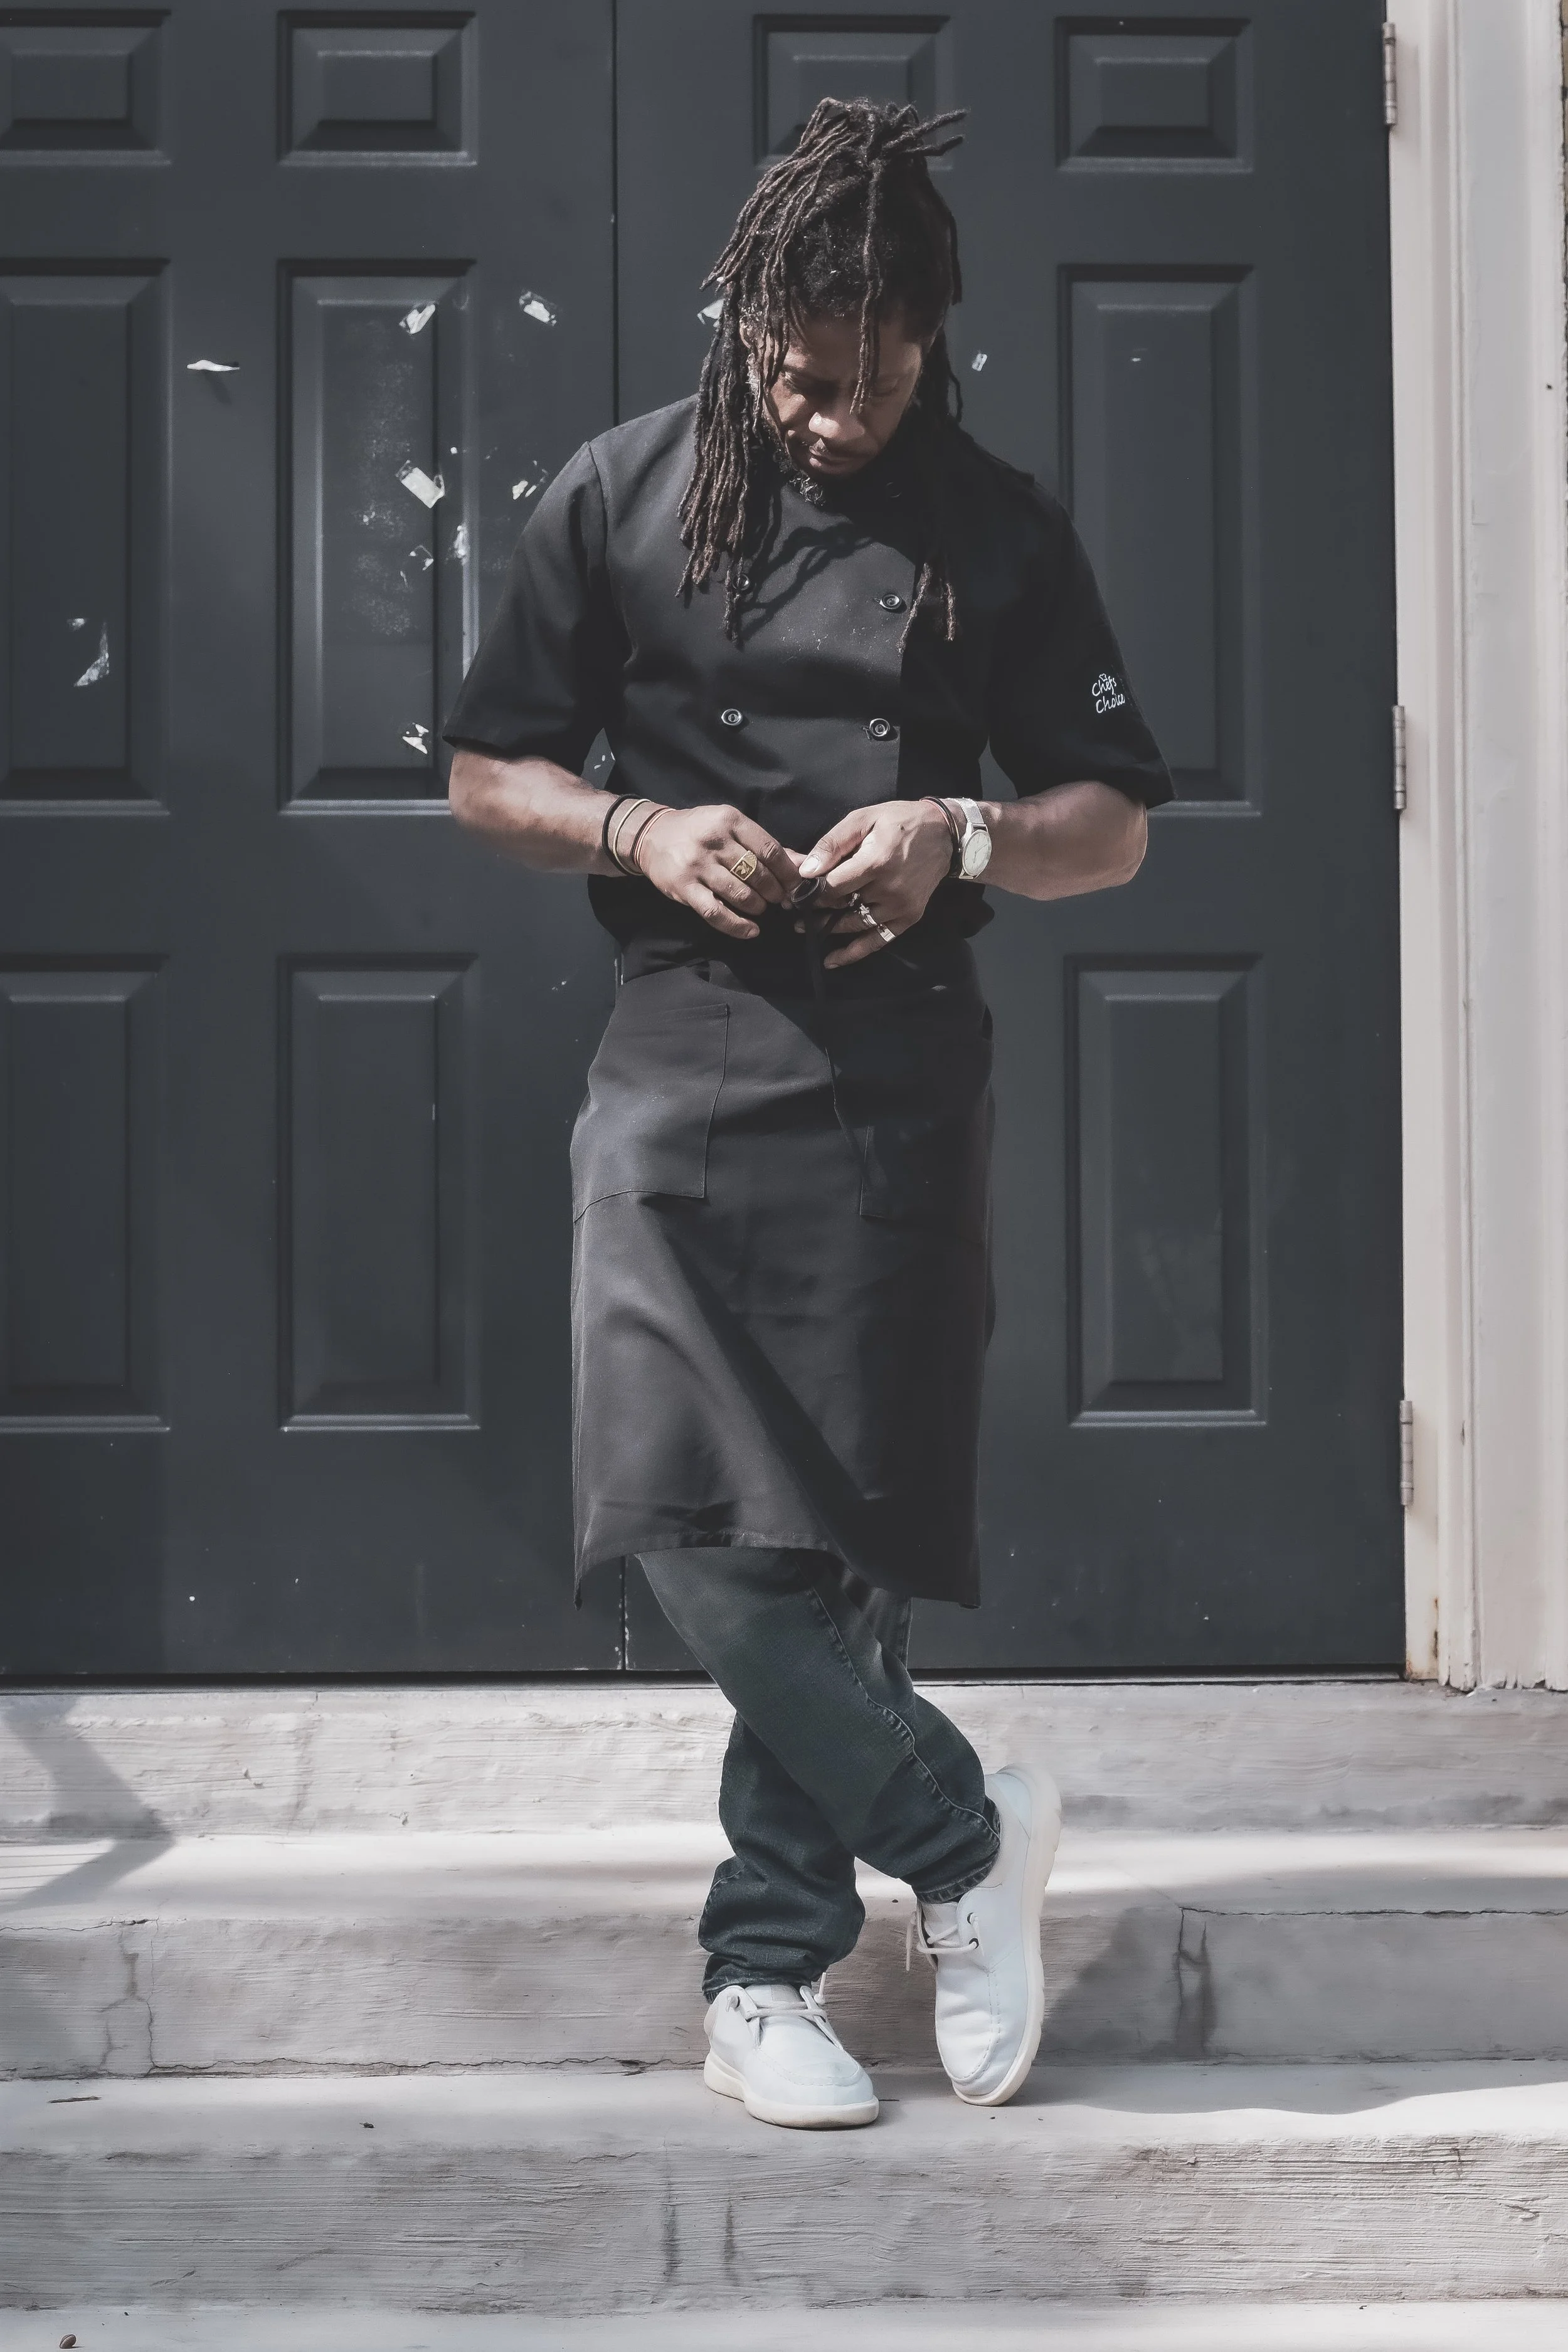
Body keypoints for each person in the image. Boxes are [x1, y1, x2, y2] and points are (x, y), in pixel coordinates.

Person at [444, 98, 1172, 2131]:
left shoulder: (1001, 532)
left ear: (931, 338)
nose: (813, 410)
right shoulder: (621, 494)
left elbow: (1107, 830)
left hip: (891, 1083)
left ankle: (764, 1967)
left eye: (853, 380)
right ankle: (962, 1836)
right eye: (781, 366)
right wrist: (638, 821)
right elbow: (486, 768)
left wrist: (956, 831)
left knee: (834, 1537)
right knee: (680, 1521)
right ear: (740, 322)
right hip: (674, 1070)